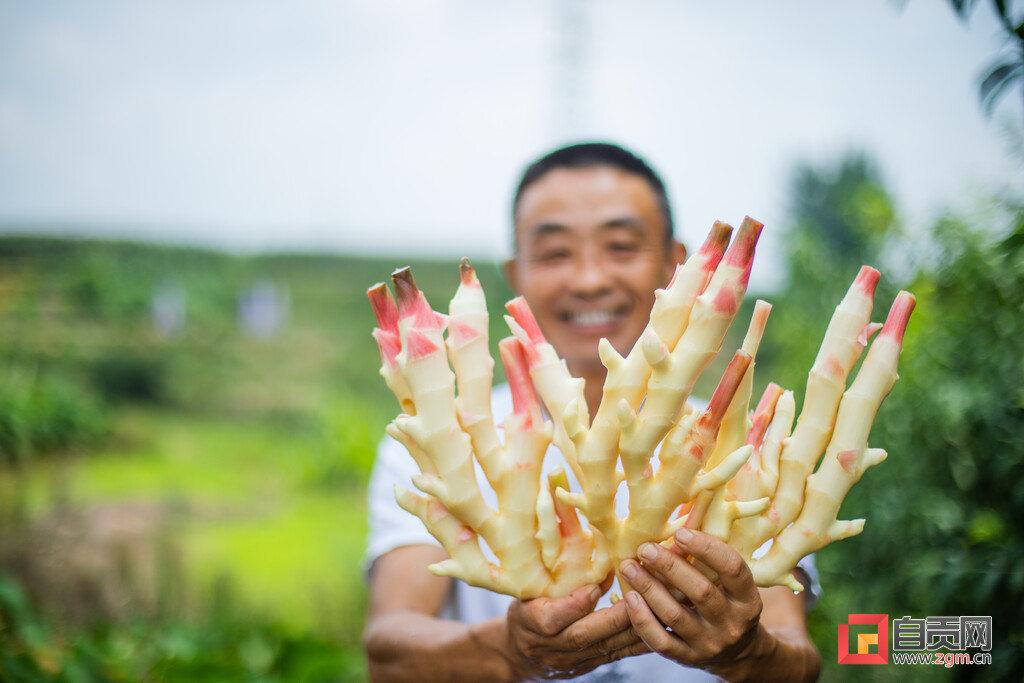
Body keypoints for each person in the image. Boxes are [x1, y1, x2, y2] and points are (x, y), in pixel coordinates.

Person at [362, 142, 822, 682]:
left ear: (681, 265)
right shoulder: (436, 442)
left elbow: (798, 659)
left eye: (621, 246)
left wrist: (748, 654)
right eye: (556, 252)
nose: (588, 279)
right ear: (516, 271)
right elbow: (388, 651)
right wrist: (509, 648)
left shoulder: (745, 446)